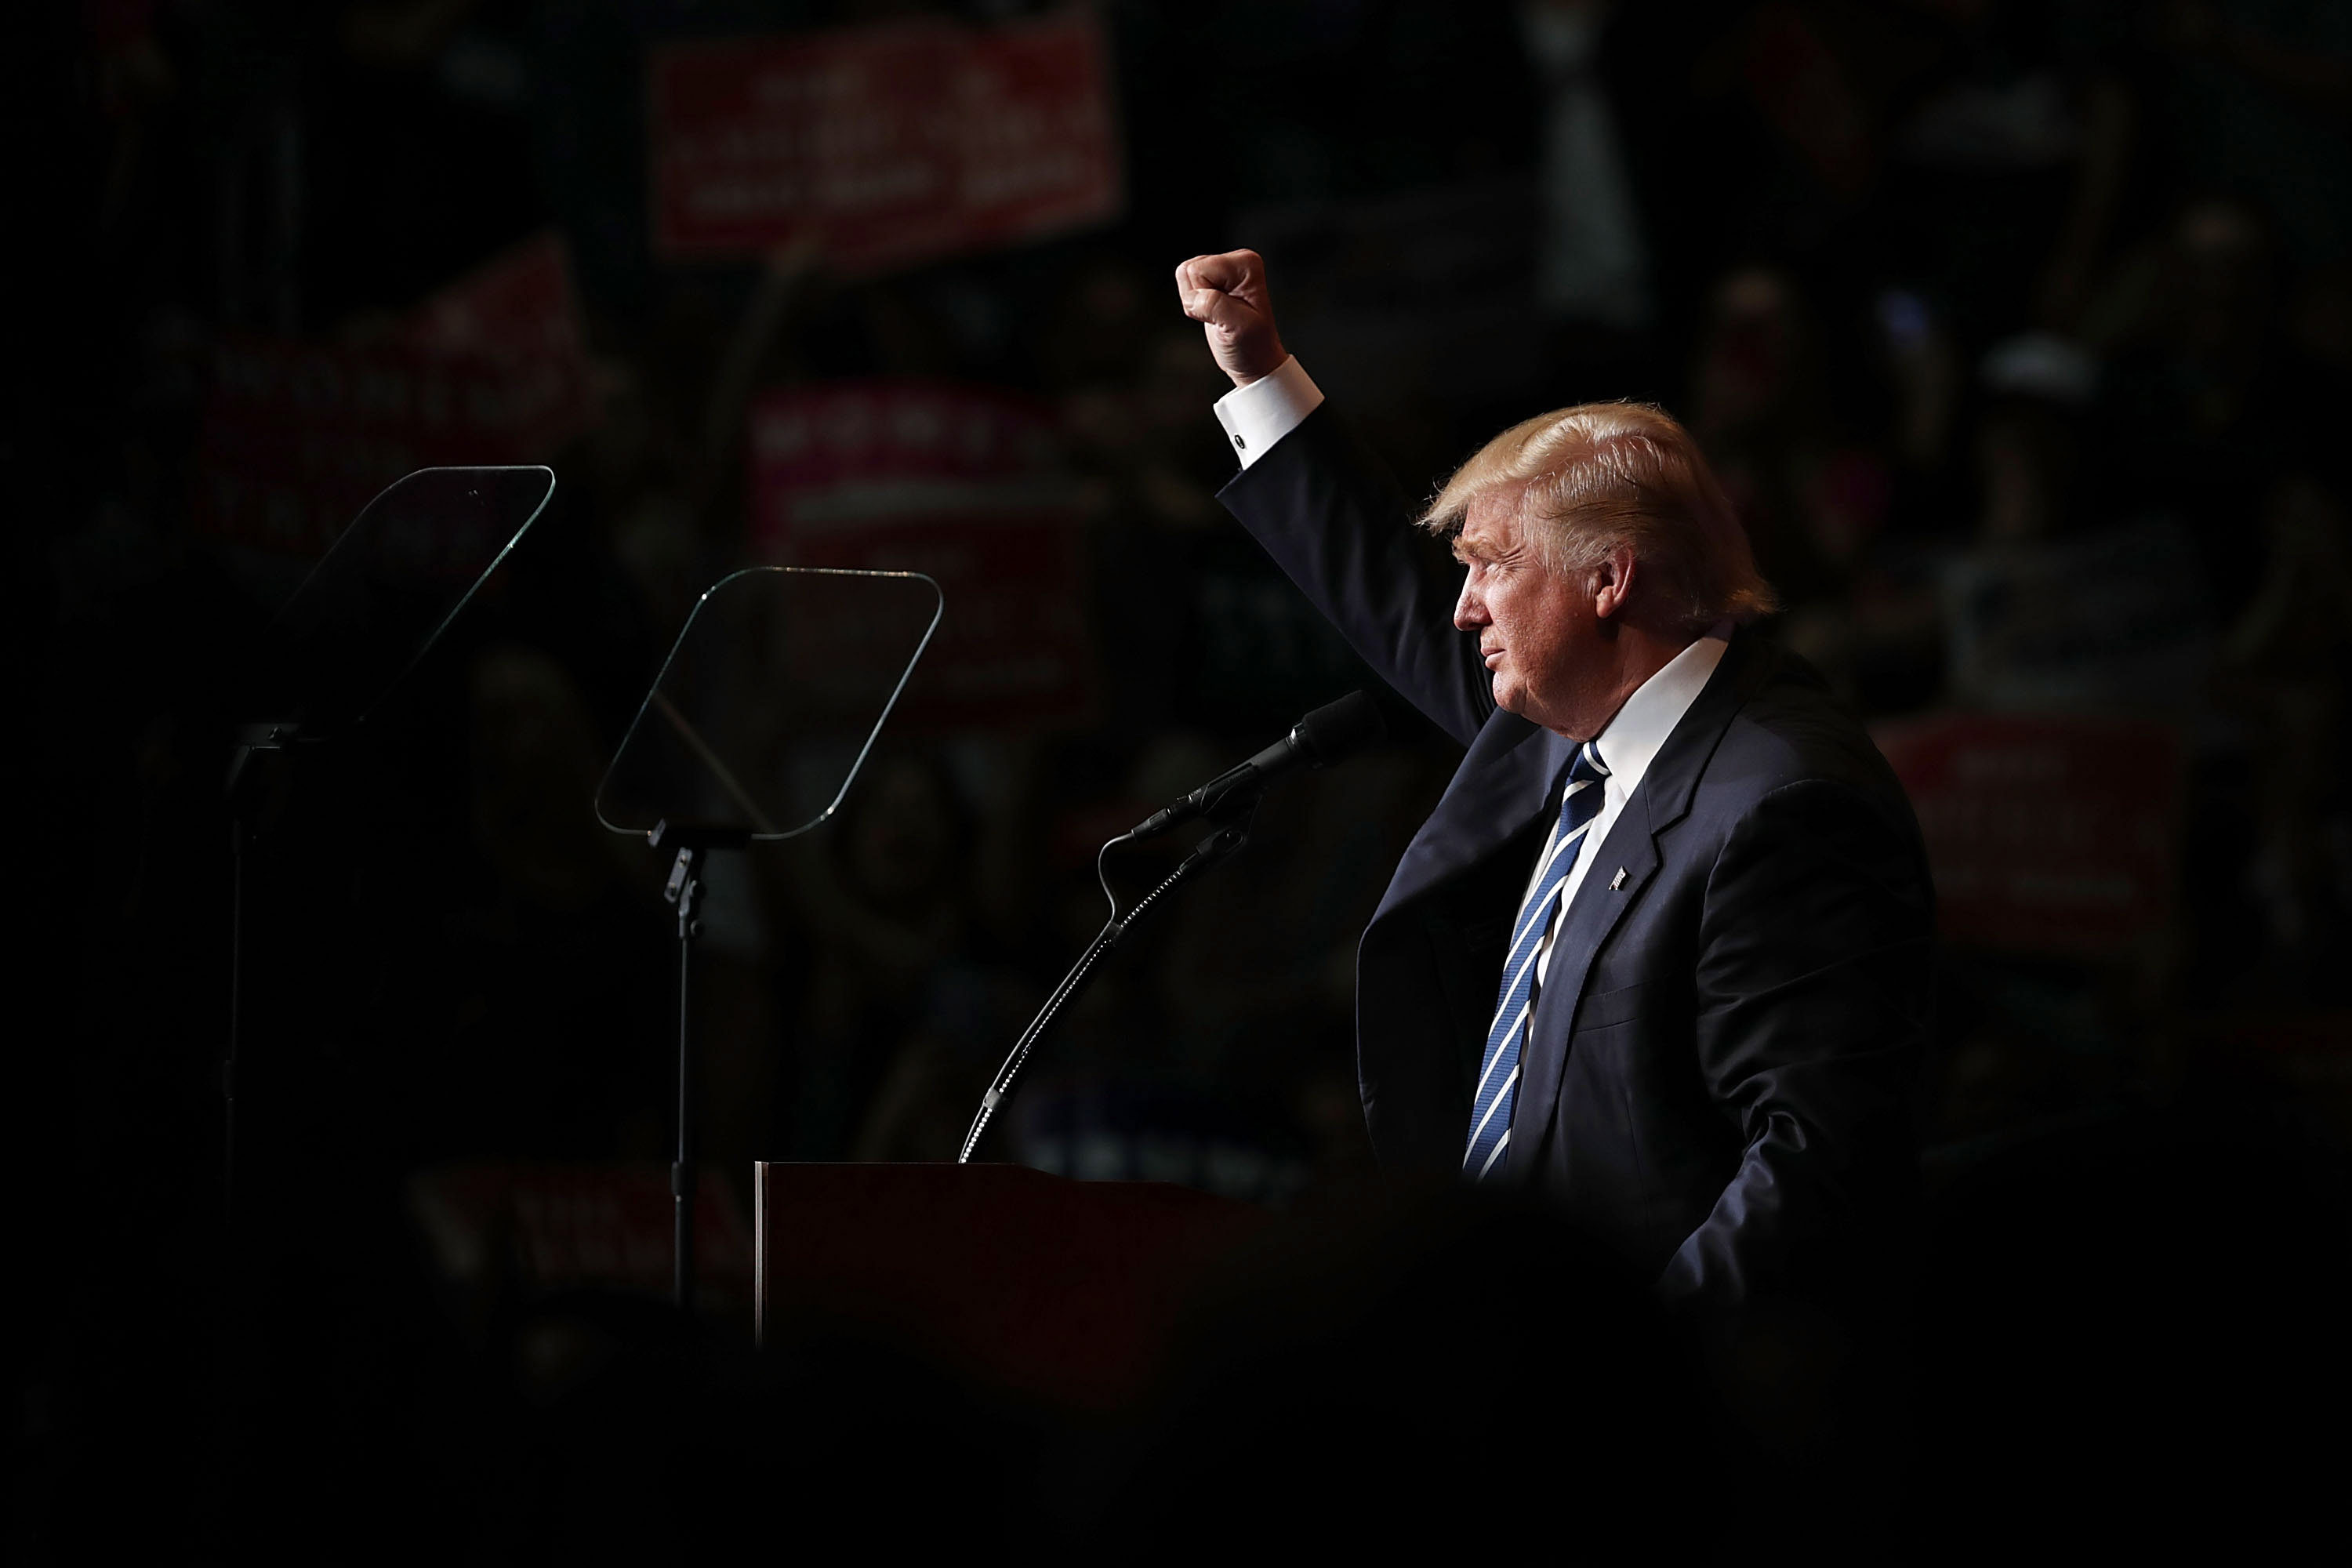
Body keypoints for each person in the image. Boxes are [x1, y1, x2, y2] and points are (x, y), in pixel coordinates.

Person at [1173, 249, 1933, 1328]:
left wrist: (1624, 1384)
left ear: (1609, 578)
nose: (1462, 608)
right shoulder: (1571, 725)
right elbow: (1388, 592)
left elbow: (1818, 1165)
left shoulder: (1780, 804)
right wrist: (1257, 370)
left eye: (1491, 565)